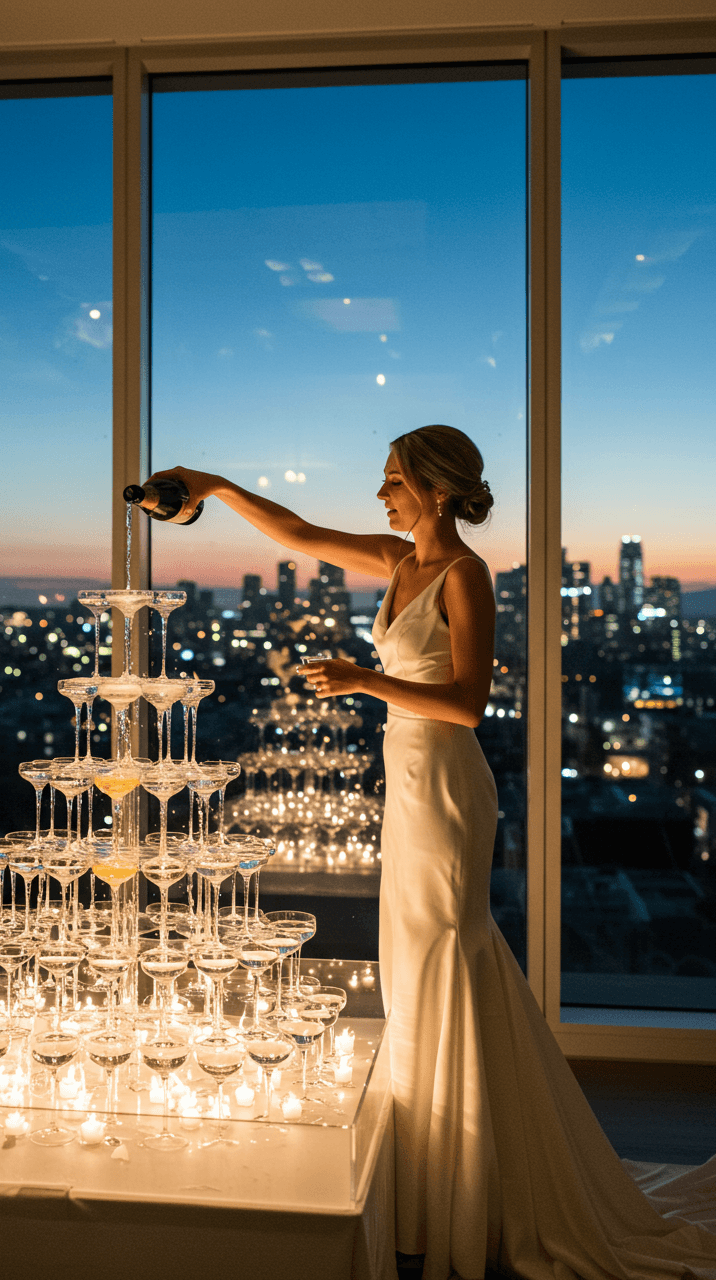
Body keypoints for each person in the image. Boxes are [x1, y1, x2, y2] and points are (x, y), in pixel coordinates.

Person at [143, 425, 716, 1280]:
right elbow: (299, 535)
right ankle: (438, 1167)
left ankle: (467, 1177)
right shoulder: (397, 557)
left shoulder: (465, 574)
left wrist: (365, 680)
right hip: (406, 785)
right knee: (413, 965)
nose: (381, 496)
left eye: (394, 482)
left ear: (438, 492)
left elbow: (470, 704)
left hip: (447, 784)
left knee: (447, 949)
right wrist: (216, 485)